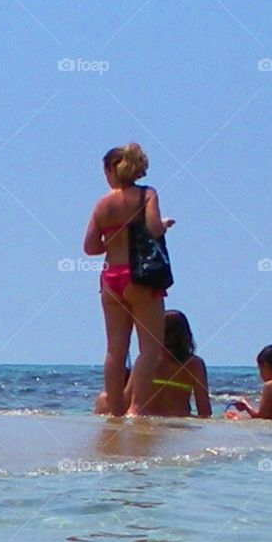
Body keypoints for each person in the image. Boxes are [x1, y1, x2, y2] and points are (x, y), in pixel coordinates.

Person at [83, 143, 173, 417]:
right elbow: (154, 227)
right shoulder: (147, 195)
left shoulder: (103, 204)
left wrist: (112, 241)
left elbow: (90, 247)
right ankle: (137, 408)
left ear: (112, 169)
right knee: (150, 347)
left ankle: (114, 410)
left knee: (115, 349)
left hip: (111, 278)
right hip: (140, 277)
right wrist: (165, 224)